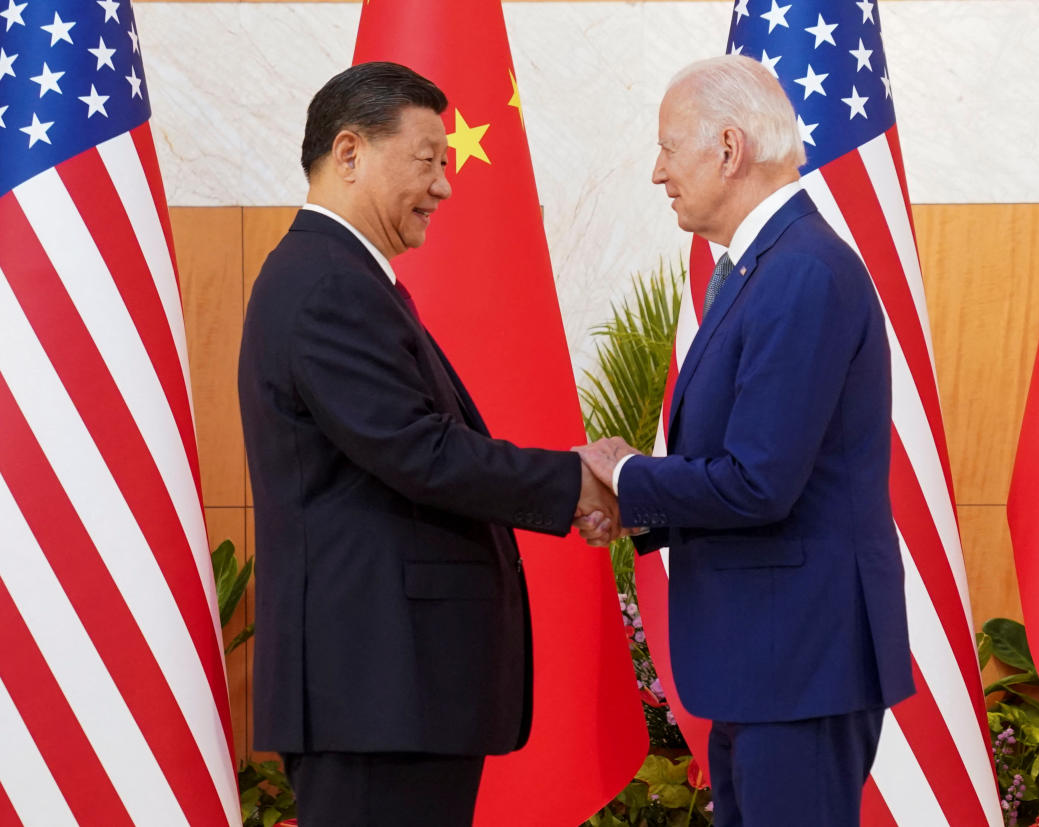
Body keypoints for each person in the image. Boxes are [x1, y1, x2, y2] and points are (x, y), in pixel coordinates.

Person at [238, 61, 617, 827]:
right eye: (428, 160)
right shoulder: (326, 285)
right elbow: (420, 452)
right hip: (373, 696)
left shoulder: (338, 277)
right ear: (349, 152)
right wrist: (575, 480)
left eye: (447, 163)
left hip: (389, 695)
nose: (445, 185)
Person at [575, 55, 915, 826]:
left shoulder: (800, 273)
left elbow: (760, 481)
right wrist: (641, 510)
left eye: (668, 147)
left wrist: (629, 478)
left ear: (728, 149)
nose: (658, 173)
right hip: (769, 660)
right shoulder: (764, 267)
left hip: (797, 659)